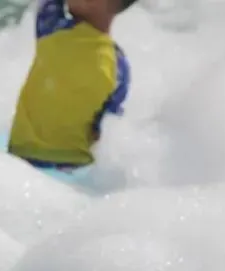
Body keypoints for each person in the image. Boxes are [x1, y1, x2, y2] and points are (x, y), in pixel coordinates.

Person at [8, 0, 137, 170]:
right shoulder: (118, 67)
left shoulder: (54, 28)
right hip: (75, 169)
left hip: (20, 159)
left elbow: (46, 4)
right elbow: (106, 129)